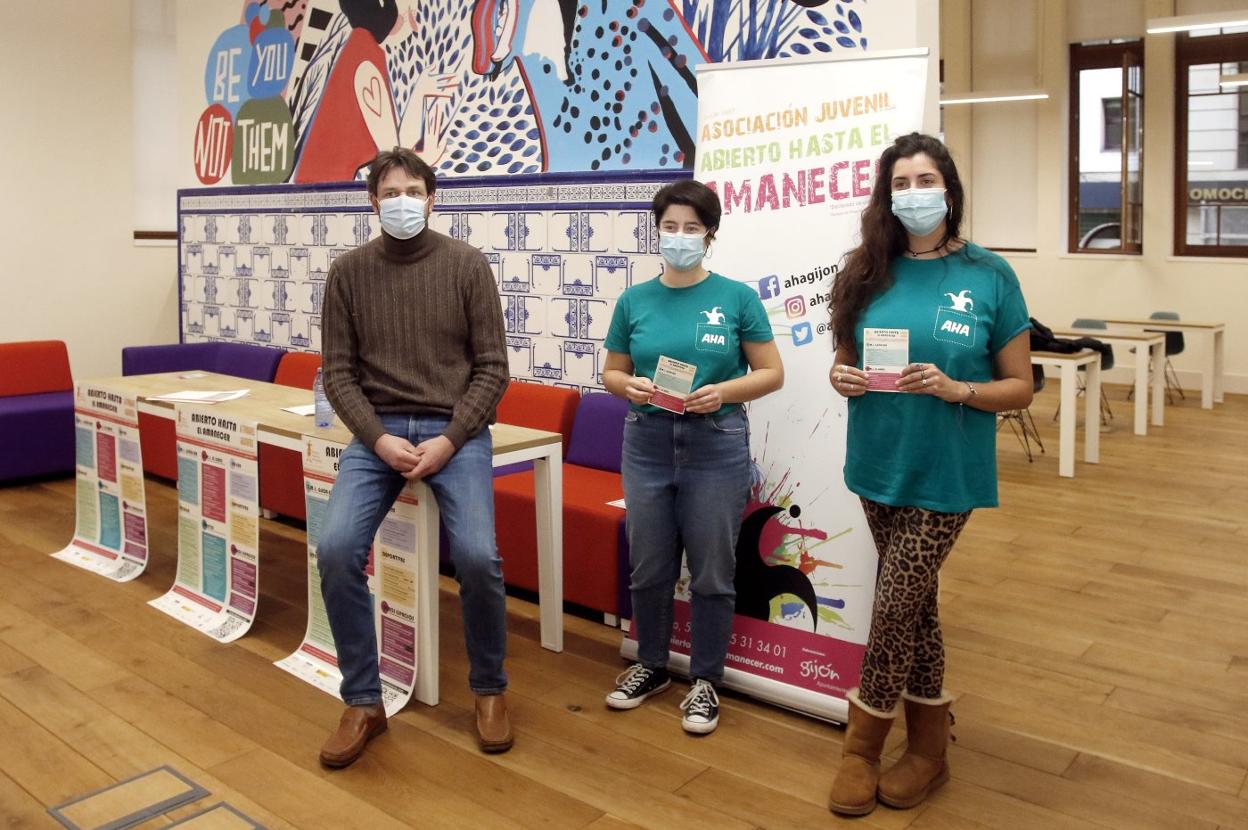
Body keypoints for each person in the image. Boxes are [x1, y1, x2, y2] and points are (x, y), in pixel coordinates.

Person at [826, 133, 1033, 815]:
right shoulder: (865, 271)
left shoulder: (989, 275)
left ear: (949, 188)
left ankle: (860, 748)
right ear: (888, 197)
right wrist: (842, 376)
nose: (915, 194)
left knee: (893, 606)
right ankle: (929, 751)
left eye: (926, 180)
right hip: (877, 463)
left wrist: (958, 389)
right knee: (915, 610)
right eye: (901, 184)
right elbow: (845, 362)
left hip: (948, 470)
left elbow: (1021, 387)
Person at [315, 147, 511, 768]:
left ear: (432, 198)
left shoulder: (467, 265)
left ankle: (489, 689)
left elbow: (492, 369)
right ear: (373, 203)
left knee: (479, 557)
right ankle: (363, 700)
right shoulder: (348, 273)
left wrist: (451, 437)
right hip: (378, 437)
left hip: (456, 433)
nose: (402, 201)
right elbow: (339, 374)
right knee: (336, 548)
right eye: (389, 192)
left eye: (413, 191)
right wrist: (377, 438)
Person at [601, 179, 784, 735]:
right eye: (670, 227)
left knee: (711, 569)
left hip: (716, 442)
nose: (679, 237)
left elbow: (772, 372)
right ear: (657, 231)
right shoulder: (634, 299)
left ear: (710, 234)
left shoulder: (736, 297)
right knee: (650, 564)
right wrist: (625, 386)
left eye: (692, 227)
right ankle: (651, 666)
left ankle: (706, 679)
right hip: (648, 440)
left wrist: (723, 392)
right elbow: (611, 370)